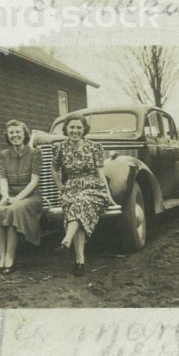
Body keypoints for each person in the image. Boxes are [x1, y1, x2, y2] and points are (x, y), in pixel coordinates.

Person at [52, 114, 117, 276]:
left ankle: (66, 241)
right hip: (72, 187)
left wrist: (108, 195)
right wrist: (60, 186)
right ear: (66, 128)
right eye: (72, 127)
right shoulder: (60, 148)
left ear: (84, 129)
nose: (75, 131)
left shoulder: (94, 147)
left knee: (79, 203)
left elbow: (100, 173)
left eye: (79, 127)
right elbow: (54, 169)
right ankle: (79, 261)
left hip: (93, 187)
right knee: (77, 208)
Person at [0, 120, 43, 274]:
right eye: (11, 133)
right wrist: (5, 196)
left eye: (18, 132)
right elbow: (3, 179)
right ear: (8, 135)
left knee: (13, 210)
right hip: (10, 195)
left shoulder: (35, 153)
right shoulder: (2, 155)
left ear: (24, 134)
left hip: (30, 196)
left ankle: (10, 257)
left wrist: (18, 198)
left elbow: (34, 181)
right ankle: (1, 257)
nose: (15, 135)